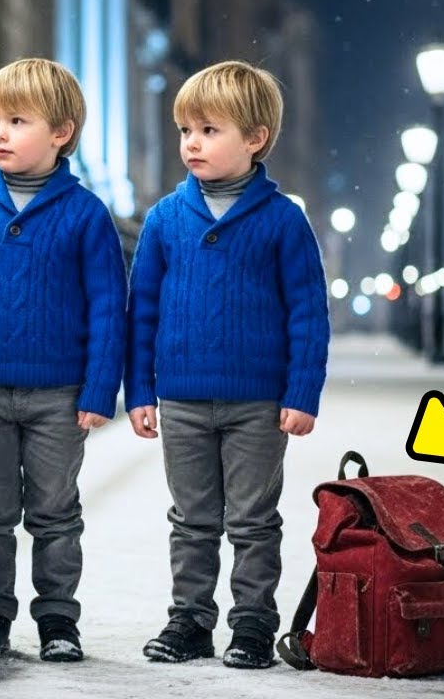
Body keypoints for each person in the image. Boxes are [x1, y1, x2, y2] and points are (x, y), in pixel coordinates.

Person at [0, 58, 127, 662]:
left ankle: (59, 619)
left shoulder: (86, 215)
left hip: (59, 395)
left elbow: (108, 308)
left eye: (17, 120)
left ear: (61, 132)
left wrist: (97, 390)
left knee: (56, 512)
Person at [125, 60, 330, 669]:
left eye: (210, 130)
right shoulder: (165, 219)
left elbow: (308, 314)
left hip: (258, 403)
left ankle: (252, 625)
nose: (192, 142)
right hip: (183, 399)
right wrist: (139, 390)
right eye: (186, 129)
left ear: (255, 139)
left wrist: (302, 392)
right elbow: (143, 312)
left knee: (252, 520)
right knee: (190, 519)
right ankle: (188, 620)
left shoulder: (282, 220)